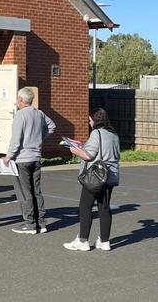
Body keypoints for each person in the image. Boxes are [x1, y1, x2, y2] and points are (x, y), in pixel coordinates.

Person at [63, 108, 120, 251]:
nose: (89, 123)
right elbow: (104, 151)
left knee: (85, 207)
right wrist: (83, 146)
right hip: (110, 176)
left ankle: (83, 240)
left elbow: (88, 156)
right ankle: (105, 241)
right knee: (104, 207)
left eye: (90, 120)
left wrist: (74, 150)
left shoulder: (96, 133)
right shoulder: (113, 134)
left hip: (96, 176)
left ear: (95, 120)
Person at [4, 87, 56, 234]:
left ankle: (29, 223)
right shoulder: (39, 113)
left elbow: (16, 140)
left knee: (25, 191)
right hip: (36, 157)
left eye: (17, 99)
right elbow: (52, 126)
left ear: (21, 100)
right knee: (36, 190)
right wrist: (40, 138)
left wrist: (8, 156)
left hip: (22, 158)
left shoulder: (20, 115)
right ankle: (41, 222)